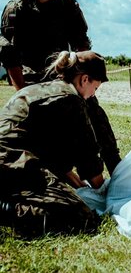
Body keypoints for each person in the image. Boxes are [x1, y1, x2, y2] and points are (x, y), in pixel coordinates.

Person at [0, 0, 121, 176]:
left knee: (94, 115)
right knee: (40, 132)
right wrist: (24, 93)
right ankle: (53, 174)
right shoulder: (16, 10)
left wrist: (83, 84)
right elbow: (10, 55)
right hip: (32, 80)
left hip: (64, 74)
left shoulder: (68, 5)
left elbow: (82, 46)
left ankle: (117, 170)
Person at [0, 50, 108, 237]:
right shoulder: (71, 100)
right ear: (84, 79)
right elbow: (88, 159)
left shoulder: (39, 89)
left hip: (11, 161)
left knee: (70, 199)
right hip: (10, 162)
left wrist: (80, 187)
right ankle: (4, 209)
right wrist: (108, 193)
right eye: (95, 88)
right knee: (81, 217)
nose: (93, 95)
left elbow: (55, 160)